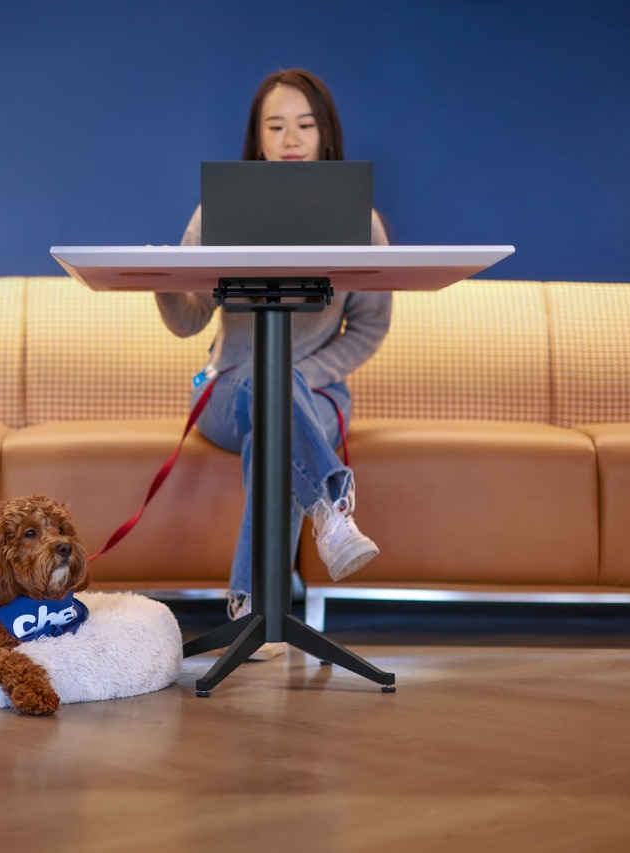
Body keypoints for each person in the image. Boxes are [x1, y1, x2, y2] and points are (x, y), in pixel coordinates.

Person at [155, 68, 390, 659]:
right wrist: (163, 281)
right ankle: (332, 512)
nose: (291, 139)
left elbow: (370, 326)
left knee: (277, 427)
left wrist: (298, 380)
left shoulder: (361, 221)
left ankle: (248, 605)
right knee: (269, 395)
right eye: (276, 126)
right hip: (227, 391)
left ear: (326, 135)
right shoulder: (219, 214)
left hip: (319, 392)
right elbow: (188, 320)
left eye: (305, 126)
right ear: (256, 139)